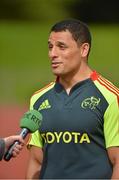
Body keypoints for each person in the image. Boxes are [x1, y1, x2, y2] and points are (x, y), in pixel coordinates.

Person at [26, 19, 119, 179]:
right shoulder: (38, 99)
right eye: (50, 47)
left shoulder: (110, 97)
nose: (52, 54)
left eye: (61, 47)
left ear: (84, 50)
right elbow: (36, 161)